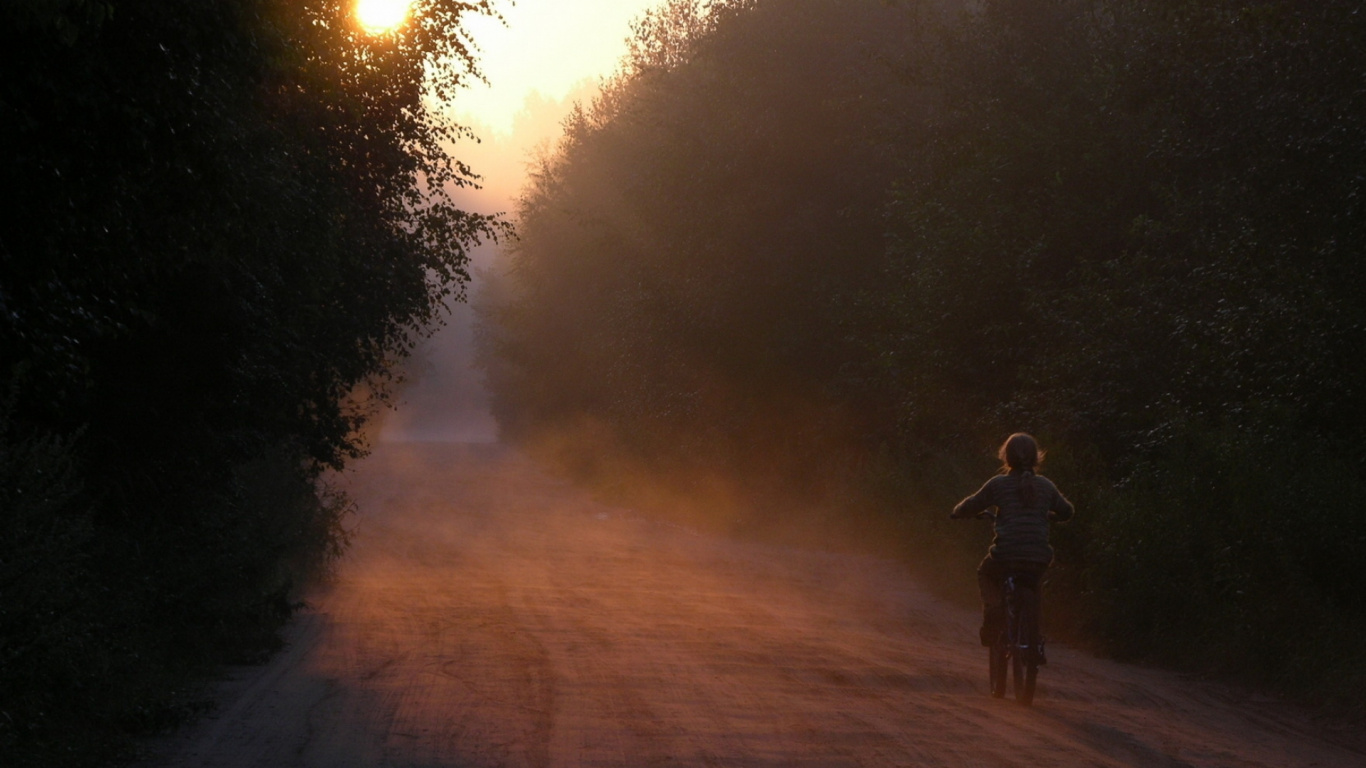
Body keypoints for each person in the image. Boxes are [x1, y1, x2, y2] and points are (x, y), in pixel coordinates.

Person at [951, 432, 1074, 647]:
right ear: (1036, 457)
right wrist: (1050, 515)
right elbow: (1067, 511)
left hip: (1006, 555)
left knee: (986, 573)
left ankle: (994, 612)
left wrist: (957, 513)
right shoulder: (1046, 486)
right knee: (1034, 582)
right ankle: (1034, 640)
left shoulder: (998, 485)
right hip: (1039, 556)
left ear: (1006, 457)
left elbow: (972, 505)